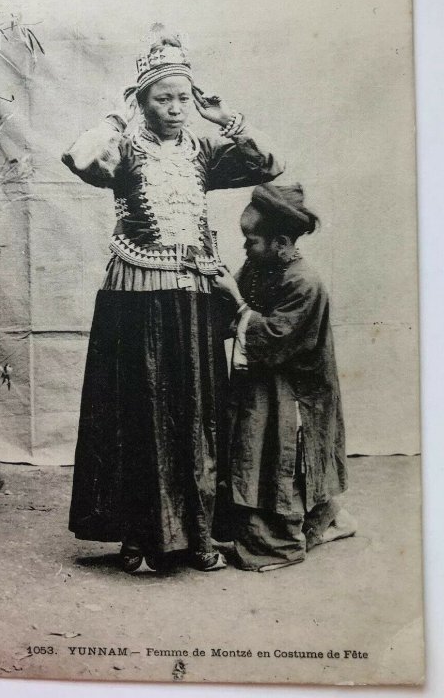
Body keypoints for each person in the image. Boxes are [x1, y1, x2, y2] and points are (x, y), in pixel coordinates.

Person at [62, 28, 282, 572]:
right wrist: (115, 118)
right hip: (134, 296)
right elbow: (77, 155)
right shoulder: (124, 149)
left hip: (193, 294)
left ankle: (199, 537)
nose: (177, 108)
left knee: (197, 414)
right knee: (139, 415)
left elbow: (269, 165)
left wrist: (225, 117)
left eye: (184, 97)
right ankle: (139, 539)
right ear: (142, 103)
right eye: (164, 98)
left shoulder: (204, 150)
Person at [213, 183, 357, 572]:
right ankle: (327, 517)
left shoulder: (304, 282)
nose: (245, 248)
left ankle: (283, 541)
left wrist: (237, 300)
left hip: (296, 388)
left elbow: (275, 337)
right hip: (264, 383)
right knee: (255, 448)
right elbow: (231, 304)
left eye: (252, 240)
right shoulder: (260, 267)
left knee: (280, 455)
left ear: (281, 242)